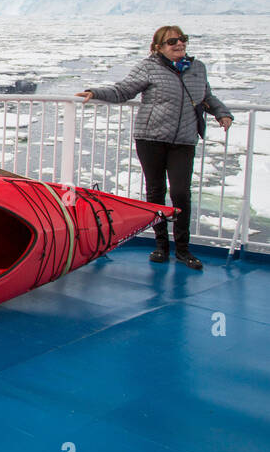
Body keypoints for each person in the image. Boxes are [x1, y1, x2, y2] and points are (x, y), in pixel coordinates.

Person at [76, 25, 232, 270]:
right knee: (156, 192)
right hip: (151, 138)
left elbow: (206, 97)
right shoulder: (149, 66)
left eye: (182, 39)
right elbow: (123, 90)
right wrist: (96, 92)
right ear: (158, 47)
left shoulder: (197, 68)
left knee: (181, 193)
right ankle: (161, 247)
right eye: (172, 42)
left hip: (184, 140)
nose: (179, 44)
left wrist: (222, 113)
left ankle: (183, 250)